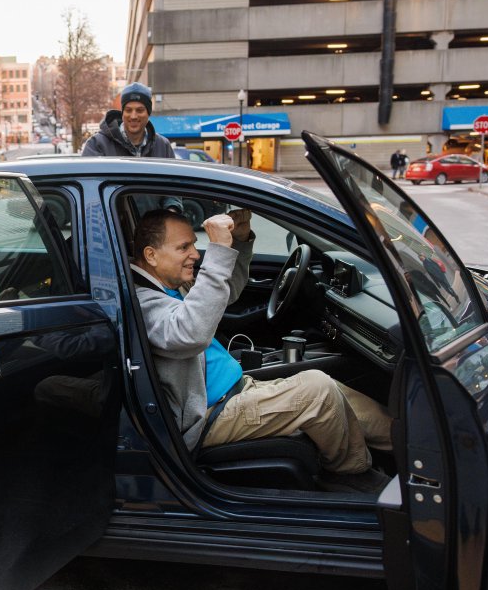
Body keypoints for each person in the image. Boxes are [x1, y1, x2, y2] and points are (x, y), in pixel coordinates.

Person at [131, 208, 393, 493]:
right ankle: (351, 473)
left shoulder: (167, 284)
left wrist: (240, 242)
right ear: (151, 255)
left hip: (236, 387)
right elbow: (190, 333)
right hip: (208, 415)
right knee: (319, 390)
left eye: (194, 244)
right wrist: (217, 250)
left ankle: (413, 446)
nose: (195, 254)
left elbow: (223, 293)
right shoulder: (140, 302)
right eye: (184, 247)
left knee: (343, 394)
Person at [81, 82, 176, 158]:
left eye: (140, 110)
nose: (133, 116)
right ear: (122, 113)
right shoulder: (97, 145)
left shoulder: (163, 147)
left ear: (148, 113)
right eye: (128, 110)